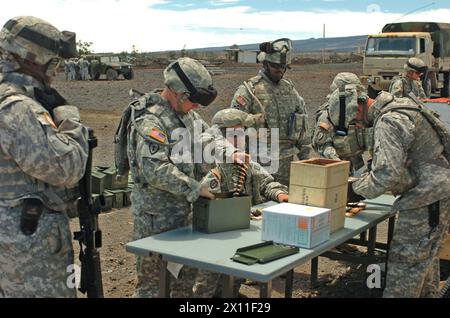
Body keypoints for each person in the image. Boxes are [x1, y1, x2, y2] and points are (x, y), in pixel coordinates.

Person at [121, 57, 248, 298]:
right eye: (193, 101)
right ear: (176, 93)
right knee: (154, 286)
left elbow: (208, 137)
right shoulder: (150, 119)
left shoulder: (187, 115)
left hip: (184, 217)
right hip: (157, 220)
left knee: (184, 283)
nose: (196, 108)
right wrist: (195, 188)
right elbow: (155, 170)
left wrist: (232, 153)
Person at [0, 16, 88, 297]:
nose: (56, 72)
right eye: (54, 64)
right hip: (29, 255)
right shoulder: (18, 107)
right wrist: (70, 121)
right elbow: (67, 168)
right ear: (32, 59)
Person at [349, 91, 450, 297]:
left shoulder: (389, 120)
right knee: (425, 262)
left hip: (426, 198)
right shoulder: (403, 105)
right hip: (438, 193)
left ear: (360, 107)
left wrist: (353, 191)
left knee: (405, 265)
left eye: (355, 120)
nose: (358, 125)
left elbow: (386, 175)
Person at [192, 108, 289, 298]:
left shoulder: (247, 164)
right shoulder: (207, 165)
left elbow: (267, 183)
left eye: (241, 134)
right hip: (211, 237)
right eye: (233, 135)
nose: (239, 139)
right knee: (207, 282)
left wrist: (281, 195)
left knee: (236, 277)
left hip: (239, 234)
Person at [230, 38, 313, 186]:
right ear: (265, 64)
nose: (280, 70)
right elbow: (233, 130)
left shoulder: (290, 91)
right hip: (259, 165)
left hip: (287, 165)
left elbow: (302, 127)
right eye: (275, 66)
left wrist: (305, 160)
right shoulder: (249, 90)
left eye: (283, 67)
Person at [312, 73, 375, 173]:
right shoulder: (328, 113)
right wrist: (339, 165)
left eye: (357, 92)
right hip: (334, 163)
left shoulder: (364, 109)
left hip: (357, 162)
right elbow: (323, 145)